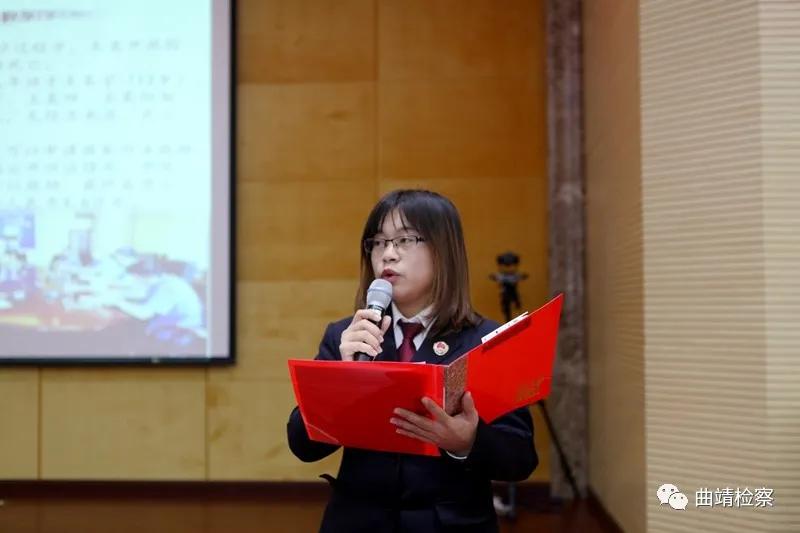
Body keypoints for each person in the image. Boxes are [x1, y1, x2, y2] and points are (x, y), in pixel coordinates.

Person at [287, 190, 537, 532]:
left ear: (443, 250)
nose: (387, 254)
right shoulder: (347, 337)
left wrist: (467, 442)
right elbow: (302, 446)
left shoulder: (487, 340)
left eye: (404, 240)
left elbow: (520, 458)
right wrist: (341, 376)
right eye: (377, 242)